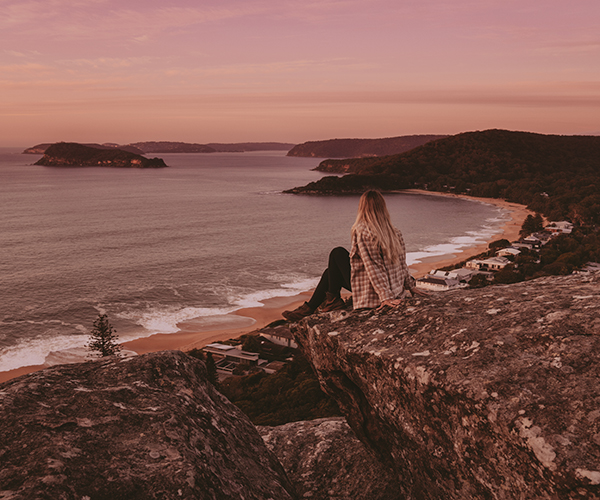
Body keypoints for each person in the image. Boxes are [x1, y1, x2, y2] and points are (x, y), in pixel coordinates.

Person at [283, 190, 424, 322]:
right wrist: (410, 286)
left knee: (337, 253)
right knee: (330, 272)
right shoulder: (395, 232)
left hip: (373, 292)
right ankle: (311, 308)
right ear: (383, 207)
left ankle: (327, 303)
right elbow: (402, 263)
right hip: (394, 289)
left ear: (362, 207)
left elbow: (373, 266)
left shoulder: (363, 230)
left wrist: (385, 297)